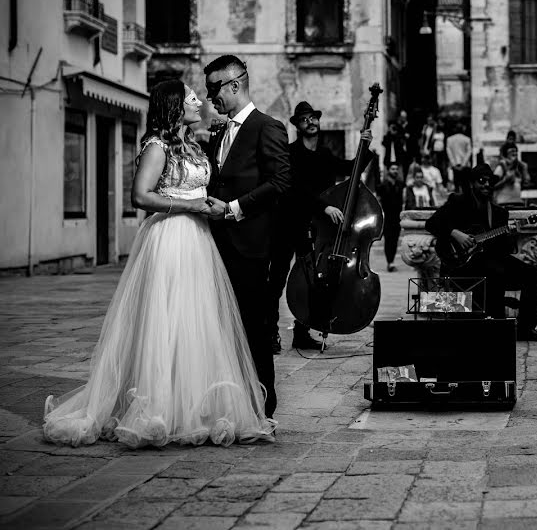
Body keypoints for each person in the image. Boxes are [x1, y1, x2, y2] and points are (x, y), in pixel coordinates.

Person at [43, 81, 276, 448]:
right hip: (169, 237)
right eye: (191, 97)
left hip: (199, 241)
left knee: (196, 320)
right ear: (174, 105)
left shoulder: (193, 144)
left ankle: (196, 405)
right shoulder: (157, 146)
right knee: (165, 319)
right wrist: (190, 206)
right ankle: (157, 408)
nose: (200, 101)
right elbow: (140, 195)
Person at [202, 56, 291, 419]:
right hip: (215, 245)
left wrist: (232, 208)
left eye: (214, 89)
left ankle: (263, 407)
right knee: (221, 328)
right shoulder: (220, 132)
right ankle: (230, 401)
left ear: (234, 84)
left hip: (250, 247)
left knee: (254, 329)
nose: (210, 98)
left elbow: (281, 183)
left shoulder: (267, 126)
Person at [266, 100, 375, 352]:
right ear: (297, 125)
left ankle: (302, 332)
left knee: (314, 281)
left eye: (313, 117)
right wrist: (323, 207)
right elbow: (292, 189)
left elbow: (351, 169)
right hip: (288, 224)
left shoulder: (324, 155)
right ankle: (270, 333)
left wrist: (365, 145)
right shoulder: (290, 153)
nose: (310, 122)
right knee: (277, 281)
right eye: (304, 119)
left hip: (316, 230)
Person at [425, 163, 537, 342]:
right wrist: (455, 233)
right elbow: (431, 224)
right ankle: (496, 325)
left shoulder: (499, 213)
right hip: (463, 264)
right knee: (495, 272)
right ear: (472, 183)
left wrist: (510, 235)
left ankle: (525, 330)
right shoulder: (458, 202)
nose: (486, 185)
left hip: (491, 259)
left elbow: (503, 249)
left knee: (533, 274)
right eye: (482, 181)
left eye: (490, 182)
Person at [377, 162, 405, 272]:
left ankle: (391, 261)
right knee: (388, 240)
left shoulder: (400, 184)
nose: (395, 171)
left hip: (397, 217)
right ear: (388, 170)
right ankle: (390, 262)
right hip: (387, 217)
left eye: (396, 169)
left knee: (395, 240)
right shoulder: (383, 185)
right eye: (393, 169)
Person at [493, 143, 530, 207]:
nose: (514, 153)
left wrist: (525, 170)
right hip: (504, 203)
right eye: (512, 151)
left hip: (517, 203)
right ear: (506, 154)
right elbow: (492, 186)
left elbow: (526, 184)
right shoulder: (500, 168)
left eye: (516, 151)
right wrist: (505, 180)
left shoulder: (518, 168)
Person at [446, 124, 473, 194]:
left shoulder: (449, 139)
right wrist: (463, 164)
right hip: (465, 166)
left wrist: (453, 164)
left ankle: (458, 201)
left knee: (456, 185)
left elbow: (449, 152)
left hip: (455, 165)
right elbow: (469, 152)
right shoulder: (467, 139)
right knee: (466, 185)